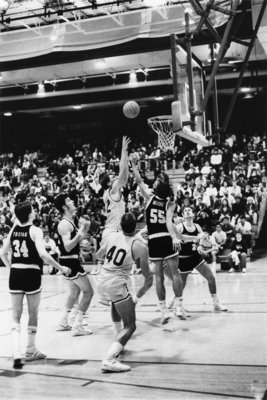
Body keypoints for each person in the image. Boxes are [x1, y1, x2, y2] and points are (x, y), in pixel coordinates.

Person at [0, 201, 71, 369]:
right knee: (33, 314)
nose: (35, 211)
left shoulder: (13, 230)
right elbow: (43, 255)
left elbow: (2, 253)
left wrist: (12, 268)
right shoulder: (35, 230)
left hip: (16, 273)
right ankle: (30, 350)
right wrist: (60, 268)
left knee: (16, 315)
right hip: (31, 273)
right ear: (30, 214)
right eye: (33, 210)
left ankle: (16, 351)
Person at [131, 156, 185, 324]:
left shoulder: (149, 198)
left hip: (154, 240)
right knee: (175, 274)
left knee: (159, 278)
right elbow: (169, 222)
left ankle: (163, 311)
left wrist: (134, 166)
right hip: (167, 238)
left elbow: (139, 180)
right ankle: (179, 306)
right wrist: (175, 237)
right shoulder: (170, 203)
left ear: (157, 187)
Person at [96, 213, 153, 373]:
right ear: (136, 227)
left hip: (101, 280)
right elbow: (147, 278)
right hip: (116, 283)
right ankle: (109, 359)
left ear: (120, 226)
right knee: (130, 325)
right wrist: (137, 297)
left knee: (116, 303)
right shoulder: (140, 247)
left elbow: (98, 255)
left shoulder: (111, 237)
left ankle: (117, 340)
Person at [166, 207, 227, 314]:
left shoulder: (197, 226)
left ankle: (215, 303)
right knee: (181, 285)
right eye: (185, 210)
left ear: (193, 214)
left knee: (211, 277)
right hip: (183, 259)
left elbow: (200, 240)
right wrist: (197, 238)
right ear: (183, 216)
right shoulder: (180, 227)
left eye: (189, 210)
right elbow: (181, 239)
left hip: (195, 257)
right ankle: (176, 303)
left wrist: (199, 246)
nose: (187, 211)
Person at [54, 193, 94, 336]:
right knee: (89, 292)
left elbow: (79, 240)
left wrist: (85, 228)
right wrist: (82, 230)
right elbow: (68, 246)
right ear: (64, 206)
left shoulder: (69, 221)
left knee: (74, 292)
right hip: (70, 262)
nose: (73, 201)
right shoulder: (64, 224)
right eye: (69, 200)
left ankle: (63, 321)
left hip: (69, 260)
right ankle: (77, 325)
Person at [93, 136, 131, 275]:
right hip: (113, 231)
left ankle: (102, 254)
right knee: (116, 268)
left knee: (118, 266)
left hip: (113, 230)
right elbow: (124, 173)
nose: (115, 177)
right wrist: (124, 151)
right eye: (112, 177)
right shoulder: (113, 190)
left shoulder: (108, 192)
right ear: (109, 183)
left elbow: (122, 176)